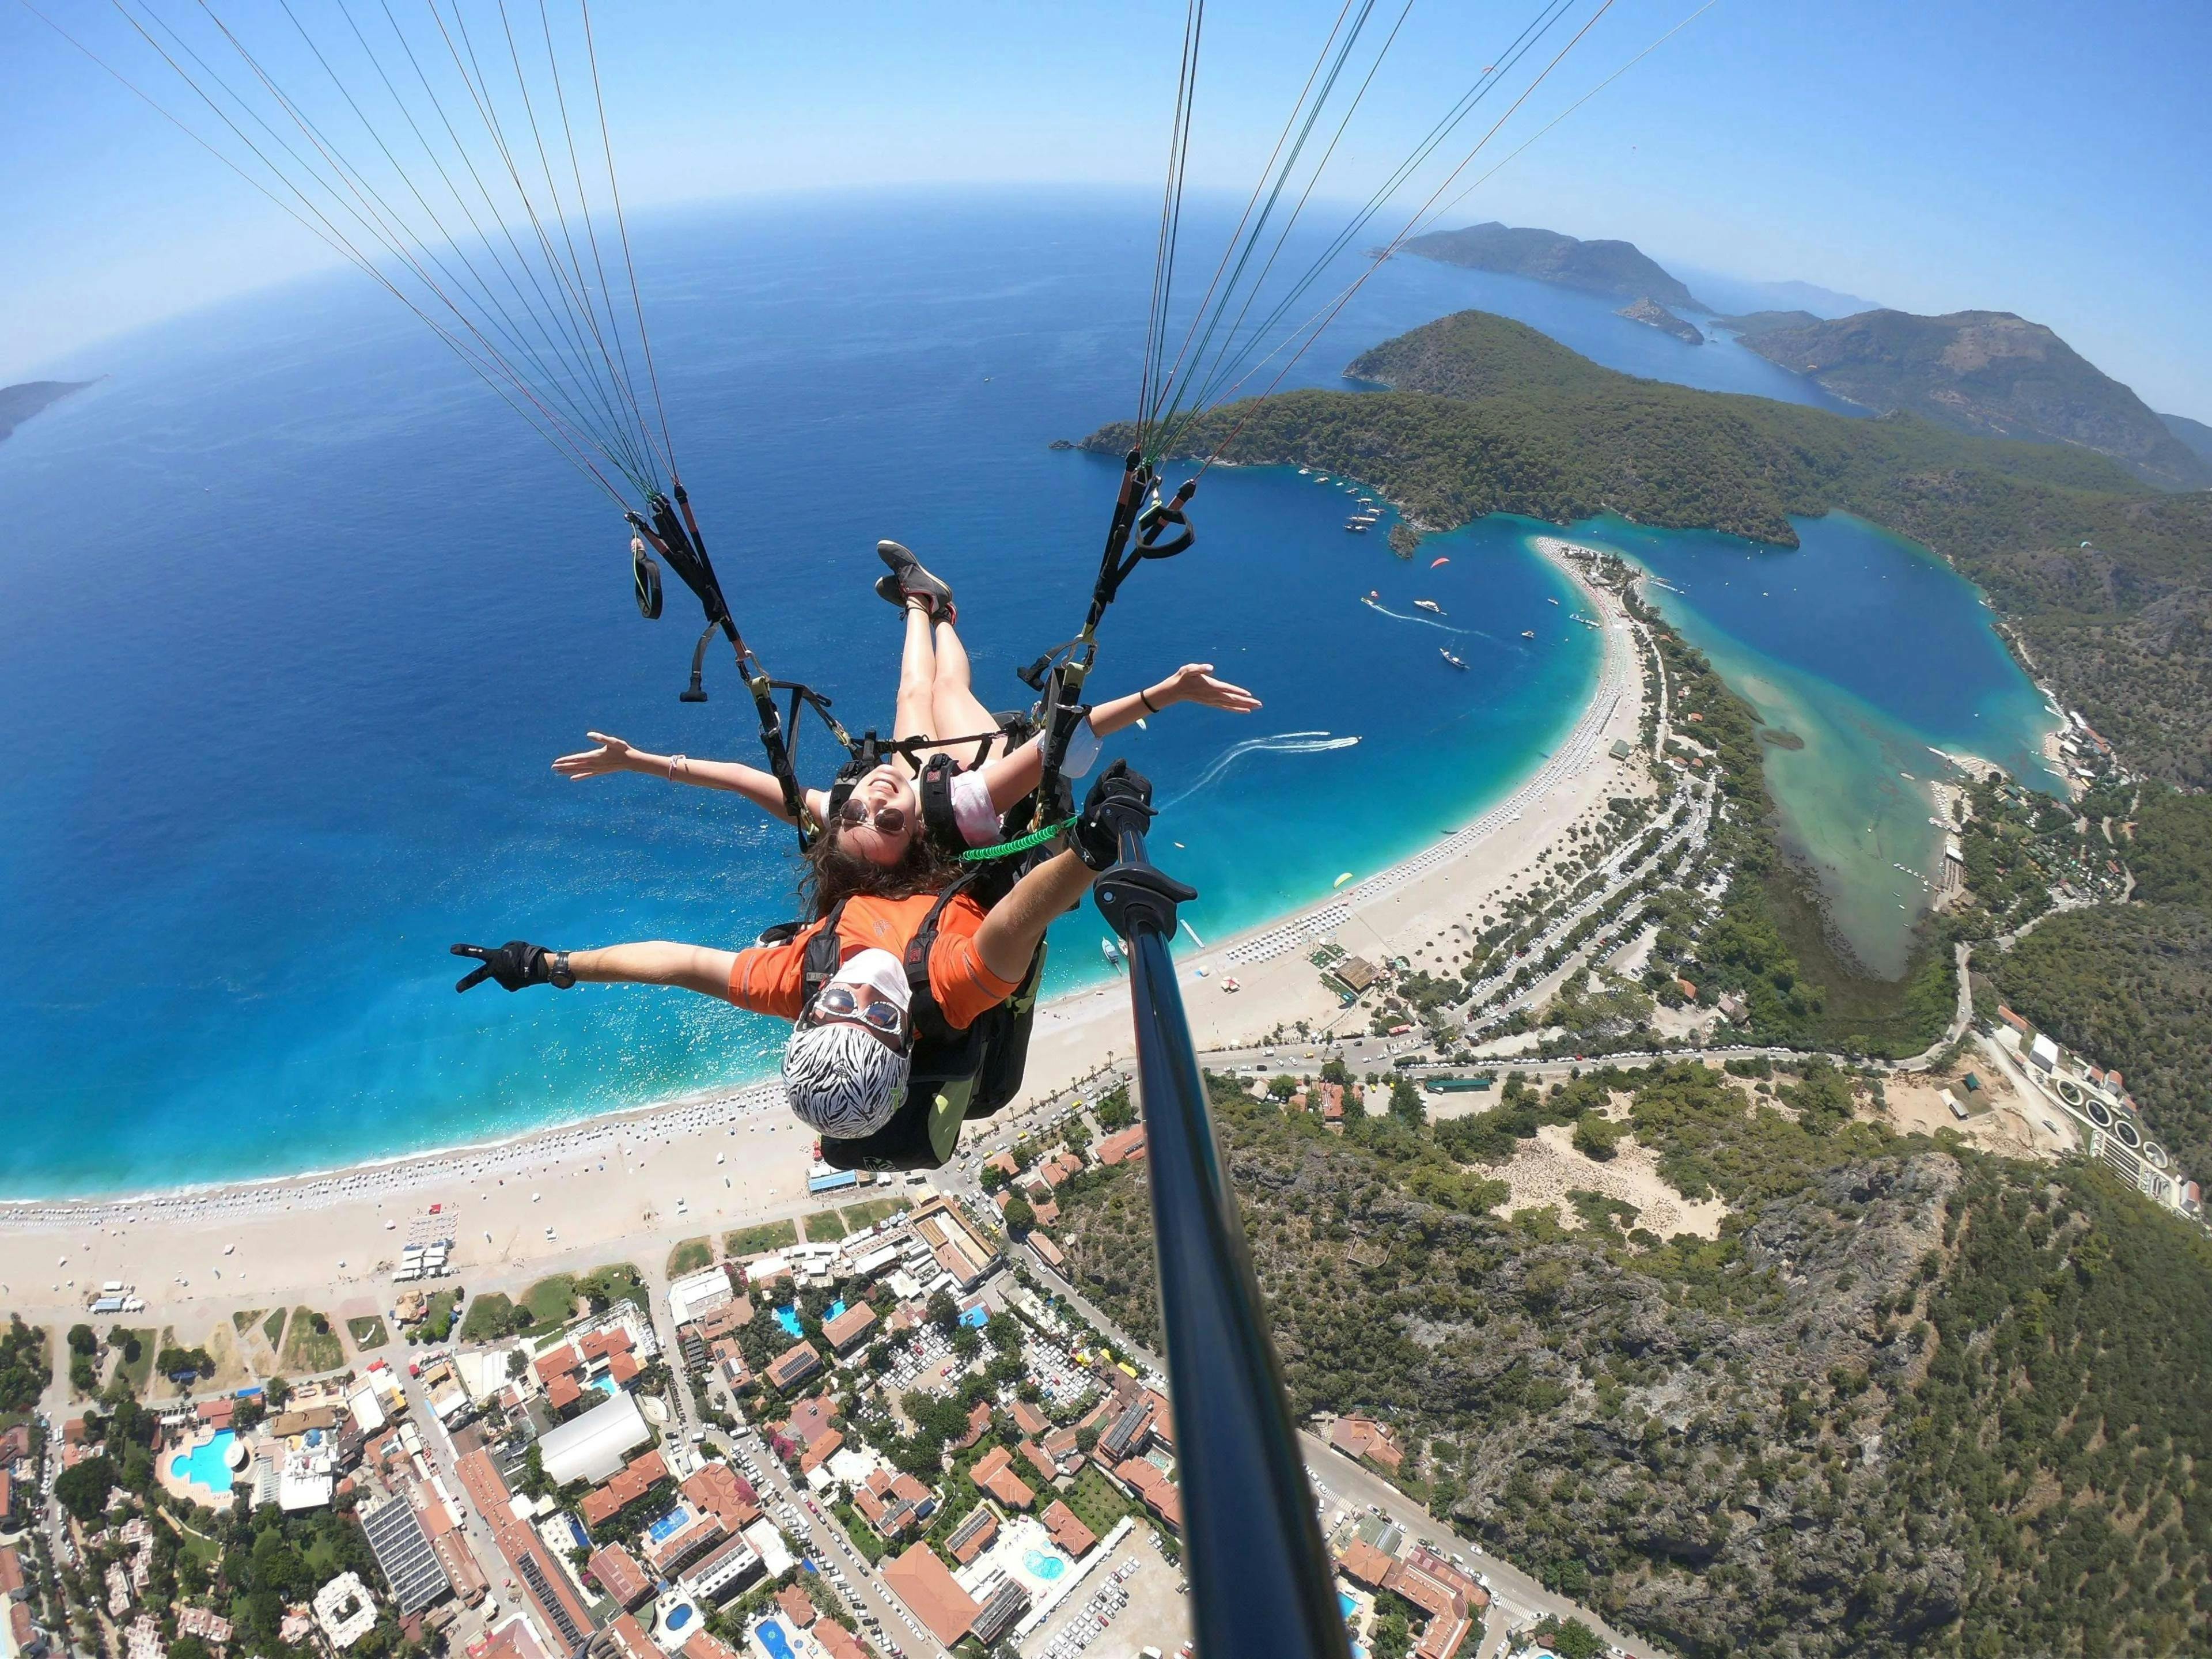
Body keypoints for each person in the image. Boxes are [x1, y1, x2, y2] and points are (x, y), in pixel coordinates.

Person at [452, 762, 1158, 1141]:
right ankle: (930, 613)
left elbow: (675, 964)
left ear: (809, 1015)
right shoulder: (944, 991)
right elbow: (1012, 925)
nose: (862, 988)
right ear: (905, 1037)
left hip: (880, 865)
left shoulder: (799, 978)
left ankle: (926, 612)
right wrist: (1088, 848)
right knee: (940, 726)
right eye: (877, 1015)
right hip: (951, 865)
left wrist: (551, 965)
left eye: (836, 1005)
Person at [551, 540, 1257, 859]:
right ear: (909, 840)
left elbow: (746, 782)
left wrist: (637, 760)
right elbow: (1061, 740)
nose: (871, 799)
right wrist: (1168, 693)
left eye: (854, 811)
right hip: (985, 766)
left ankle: (922, 600)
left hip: (933, 768)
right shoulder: (966, 813)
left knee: (909, 689)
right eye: (885, 822)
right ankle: (941, 611)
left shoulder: (859, 808)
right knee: (948, 687)